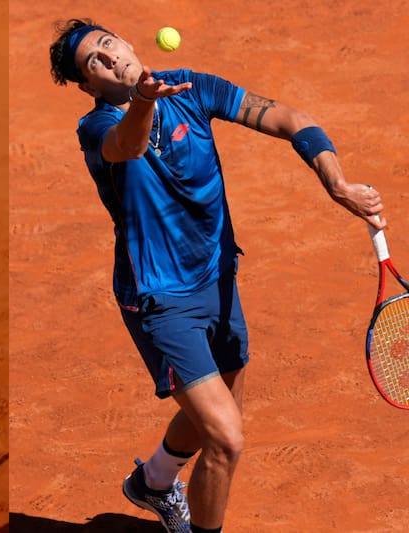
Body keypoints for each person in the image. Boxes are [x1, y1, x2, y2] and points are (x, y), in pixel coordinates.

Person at [49, 18, 385, 533]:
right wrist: (143, 100)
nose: (111, 57)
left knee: (218, 411)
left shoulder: (193, 87)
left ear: (128, 43)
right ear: (89, 87)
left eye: (109, 43)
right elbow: (128, 146)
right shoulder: (95, 129)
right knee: (226, 438)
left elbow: (291, 119)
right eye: (95, 60)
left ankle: (154, 481)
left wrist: (336, 183)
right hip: (160, 296)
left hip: (219, 278)